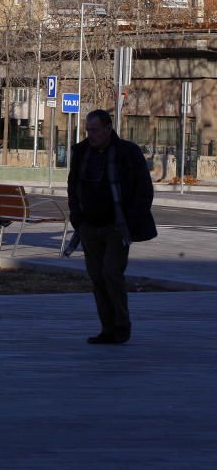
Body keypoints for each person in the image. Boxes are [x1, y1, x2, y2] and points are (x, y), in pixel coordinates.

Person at [67, 109, 156, 345]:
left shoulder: (127, 153)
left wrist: (130, 219)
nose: (90, 135)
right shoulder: (82, 152)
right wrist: (77, 216)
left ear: (108, 129)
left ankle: (121, 326)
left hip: (117, 226)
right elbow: (73, 185)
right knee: (97, 277)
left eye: (95, 130)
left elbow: (144, 189)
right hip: (89, 226)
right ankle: (107, 329)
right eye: (88, 130)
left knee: (111, 273)